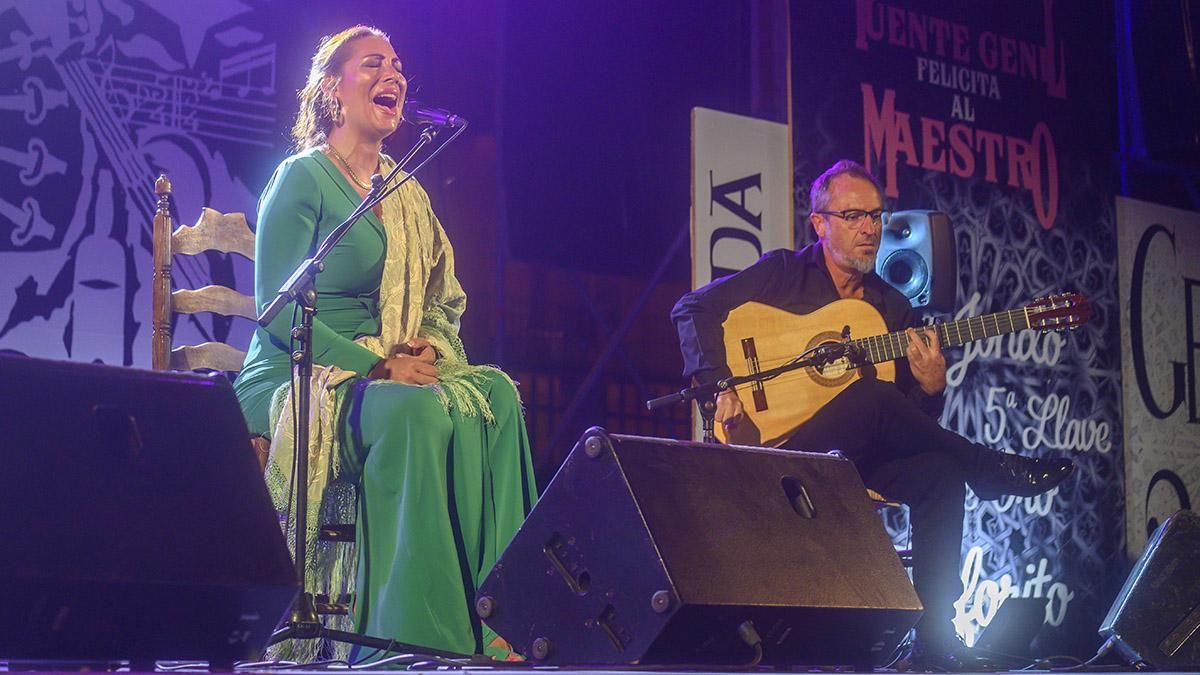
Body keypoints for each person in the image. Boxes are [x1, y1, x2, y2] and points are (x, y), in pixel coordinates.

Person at [671, 159, 1074, 669]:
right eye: (854, 216)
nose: (870, 229)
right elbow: (691, 309)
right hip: (777, 450)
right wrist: (717, 387)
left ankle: (935, 634)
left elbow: (904, 423)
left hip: (852, 461)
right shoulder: (781, 275)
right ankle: (988, 467)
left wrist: (931, 390)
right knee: (870, 395)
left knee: (940, 474)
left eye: (877, 216)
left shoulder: (892, 307)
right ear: (820, 224)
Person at [234, 25, 536, 661]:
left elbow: (441, 298)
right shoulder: (301, 179)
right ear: (331, 90)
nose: (393, 76)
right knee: (415, 412)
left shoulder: (407, 192)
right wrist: (376, 365)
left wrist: (425, 344)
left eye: (398, 67)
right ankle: (407, 638)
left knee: (498, 399)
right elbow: (275, 314)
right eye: (373, 65)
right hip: (297, 371)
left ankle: (507, 620)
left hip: (387, 365)